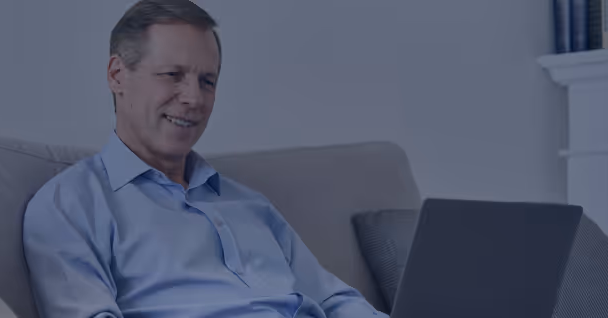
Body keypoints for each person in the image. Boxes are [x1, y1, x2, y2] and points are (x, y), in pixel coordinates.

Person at [23, 1, 388, 317]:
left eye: (207, 81)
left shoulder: (248, 204)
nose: (194, 99)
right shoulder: (69, 205)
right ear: (117, 75)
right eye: (172, 75)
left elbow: (334, 299)